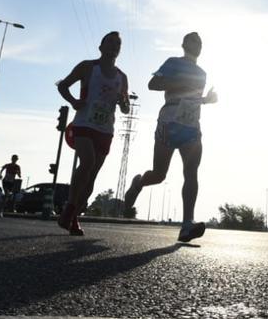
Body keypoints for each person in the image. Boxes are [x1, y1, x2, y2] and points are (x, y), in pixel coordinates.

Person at [122, 32, 217, 243]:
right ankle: (138, 183)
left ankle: (186, 225)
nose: (197, 45)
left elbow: (192, 97)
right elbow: (153, 84)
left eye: (200, 42)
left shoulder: (202, 73)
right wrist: (178, 83)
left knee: (191, 172)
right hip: (169, 121)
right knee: (159, 174)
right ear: (184, 45)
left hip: (191, 125)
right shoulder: (173, 62)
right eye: (193, 41)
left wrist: (207, 100)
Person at [56, 31, 131, 236]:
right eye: (110, 42)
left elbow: (125, 108)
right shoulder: (88, 67)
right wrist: (73, 101)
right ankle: (69, 210)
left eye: (118, 44)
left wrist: (124, 103)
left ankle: (72, 218)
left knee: (91, 178)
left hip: (105, 129)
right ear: (101, 47)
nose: (114, 46)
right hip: (84, 124)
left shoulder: (122, 78)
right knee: (87, 163)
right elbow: (63, 85)